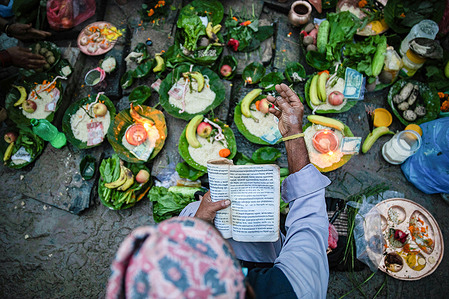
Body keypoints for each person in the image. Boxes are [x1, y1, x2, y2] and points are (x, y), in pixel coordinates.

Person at [106, 84, 331, 298]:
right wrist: (293, 134)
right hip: (268, 259)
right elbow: (308, 221)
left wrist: (199, 223)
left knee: (194, 210)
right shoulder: (296, 290)